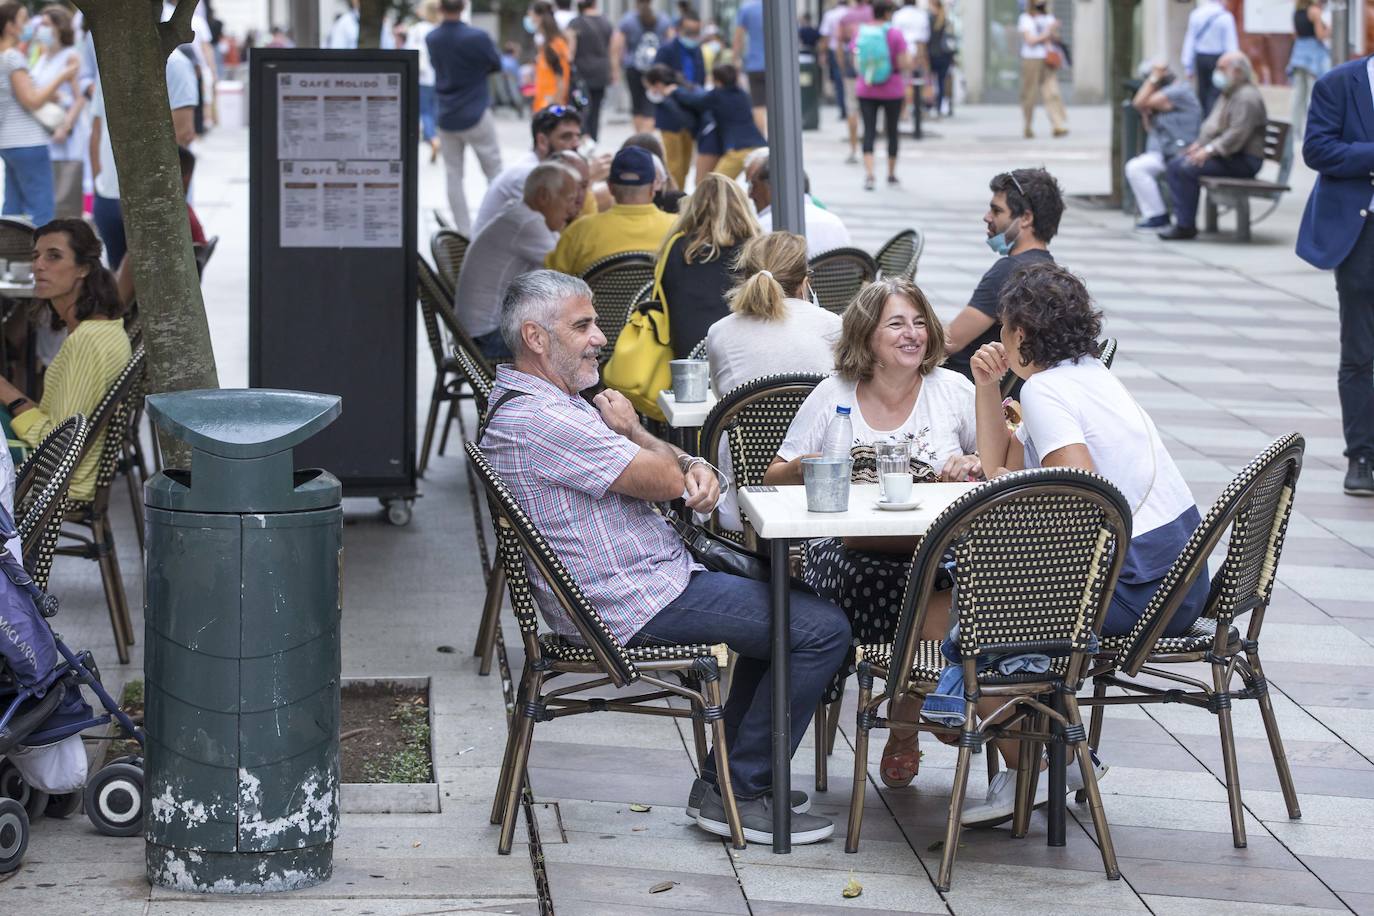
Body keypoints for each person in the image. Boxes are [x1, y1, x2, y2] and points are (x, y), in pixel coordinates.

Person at [482, 270, 850, 846]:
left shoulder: (554, 403)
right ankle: (742, 788)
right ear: (535, 337)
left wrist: (663, 452)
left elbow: (664, 468)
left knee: (793, 612)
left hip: (646, 583)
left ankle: (730, 782)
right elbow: (657, 476)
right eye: (583, 325)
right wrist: (665, 454)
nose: (600, 336)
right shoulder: (539, 417)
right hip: (626, 603)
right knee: (820, 628)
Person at [961, 262, 1208, 823]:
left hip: (1141, 588)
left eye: (1002, 329)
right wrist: (987, 387)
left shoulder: (1048, 391)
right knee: (1006, 601)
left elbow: (1081, 497)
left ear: (1021, 334)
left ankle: (1036, 768)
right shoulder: (1089, 374)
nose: (999, 340)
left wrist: (1006, 490)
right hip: (1183, 579)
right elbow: (1000, 461)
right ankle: (1060, 760)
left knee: (979, 617)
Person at [763, 277, 979, 790]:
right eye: (897, 324)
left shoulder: (953, 392)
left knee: (945, 578)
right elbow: (773, 477)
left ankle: (905, 719)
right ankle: (923, 709)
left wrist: (970, 464)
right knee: (920, 582)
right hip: (848, 552)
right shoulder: (834, 395)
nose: (913, 335)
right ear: (866, 336)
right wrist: (810, 465)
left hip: (932, 553)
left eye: (921, 322)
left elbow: (995, 466)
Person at [706, 232, 841, 534]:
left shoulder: (720, 332)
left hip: (741, 499)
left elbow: (724, 399)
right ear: (805, 281)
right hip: (820, 493)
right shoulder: (835, 326)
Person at [0, 219, 130, 501]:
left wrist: (6, 390)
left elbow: (59, 445)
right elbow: (58, 422)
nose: (38, 266)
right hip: (55, 471)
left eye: (53, 256)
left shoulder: (88, 341)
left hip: (56, 481)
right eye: (36, 257)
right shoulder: (99, 329)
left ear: (84, 268)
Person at [1296, 54, 1374, 496]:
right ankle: (1361, 456)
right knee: (1360, 351)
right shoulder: (1338, 84)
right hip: (1360, 234)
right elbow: (1318, 149)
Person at [944, 168, 1062, 380]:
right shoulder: (1050, 270)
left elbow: (949, 343)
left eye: (996, 211)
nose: (987, 217)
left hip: (970, 387)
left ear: (1025, 218)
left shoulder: (1009, 271)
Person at [455, 162, 578, 360]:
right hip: (486, 339)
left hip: (475, 334)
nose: (573, 210)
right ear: (544, 196)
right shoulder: (527, 224)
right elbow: (570, 273)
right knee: (575, 346)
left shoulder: (520, 213)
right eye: (570, 200)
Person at [89, 49, 198, 271]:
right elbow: (97, 130)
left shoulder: (172, 63)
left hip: (137, 196)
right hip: (116, 196)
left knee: (144, 284)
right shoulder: (113, 59)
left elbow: (182, 134)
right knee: (131, 288)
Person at [1158, 51, 1267, 241]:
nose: (1217, 72)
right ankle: (1183, 222)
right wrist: (1199, 145)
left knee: (1186, 168)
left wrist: (1208, 151)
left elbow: (1236, 135)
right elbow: (1212, 125)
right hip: (1227, 155)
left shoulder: (1247, 97)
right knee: (1176, 164)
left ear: (1238, 72)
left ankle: (1185, 226)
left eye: (1222, 68)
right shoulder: (1230, 93)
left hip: (1243, 160)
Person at [655, 173, 758, 359]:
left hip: (686, 358)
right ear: (741, 206)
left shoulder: (676, 248)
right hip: (744, 356)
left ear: (694, 207)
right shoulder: (754, 250)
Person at [427, 0, 502, 236]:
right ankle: (496, 225)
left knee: (453, 175)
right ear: (463, 7)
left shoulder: (433, 38)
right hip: (477, 110)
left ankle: (463, 232)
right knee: (494, 172)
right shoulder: (478, 37)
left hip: (447, 115)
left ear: (440, 8)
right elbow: (495, 64)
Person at [544, 146, 675, 276]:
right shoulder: (676, 228)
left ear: (610, 187)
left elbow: (552, 280)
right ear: (653, 187)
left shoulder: (579, 232)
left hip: (594, 297)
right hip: (656, 297)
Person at [0, 2, 75, 227]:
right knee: (41, 208)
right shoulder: (12, 57)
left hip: (8, 142)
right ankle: (42, 256)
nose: (28, 26)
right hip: (28, 141)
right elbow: (30, 99)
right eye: (23, 20)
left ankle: (9, 257)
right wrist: (63, 77)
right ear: (10, 26)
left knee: (13, 208)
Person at [473, 105, 594, 235]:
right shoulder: (528, 175)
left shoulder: (545, 172)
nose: (576, 144)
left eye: (577, 136)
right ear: (542, 141)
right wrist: (585, 182)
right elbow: (553, 229)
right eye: (566, 137)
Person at [1125, 61, 1203, 230]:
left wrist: (1154, 78)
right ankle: (1156, 215)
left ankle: (1162, 217)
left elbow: (1138, 103)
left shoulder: (1179, 92)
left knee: (1137, 168)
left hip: (1181, 151)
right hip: (1166, 152)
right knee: (1136, 167)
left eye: (1148, 82)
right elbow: (1148, 122)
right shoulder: (1164, 96)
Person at [29, 5, 86, 220]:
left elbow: (79, 97)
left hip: (64, 132)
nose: (40, 29)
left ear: (59, 27)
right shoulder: (42, 57)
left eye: (46, 24)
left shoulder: (70, 56)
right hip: (44, 130)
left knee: (66, 191)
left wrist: (66, 126)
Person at [664, 63, 765, 180]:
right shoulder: (743, 94)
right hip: (758, 145)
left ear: (717, 81)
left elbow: (693, 101)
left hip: (738, 150)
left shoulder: (717, 95)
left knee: (715, 184)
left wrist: (675, 91)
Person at [744, 149, 852, 256]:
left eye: (753, 185)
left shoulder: (763, 227)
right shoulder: (835, 223)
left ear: (770, 188)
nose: (750, 194)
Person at [853, 0, 908, 190]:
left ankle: (869, 175)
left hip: (866, 88)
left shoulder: (861, 32)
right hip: (892, 89)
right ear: (886, 14)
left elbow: (857, 61)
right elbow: (902, 63)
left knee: (868, 131)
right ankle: (891, 174)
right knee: (892, 131)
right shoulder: (895, 33)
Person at [649, 11, 706, 188]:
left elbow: (701, 77)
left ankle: (679, 195)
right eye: (689, 32)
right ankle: (675, 199)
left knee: (686, 164)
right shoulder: (666, 50)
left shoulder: (696, 50)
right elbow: (654, 79)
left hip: (690, 113)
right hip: (671, 114)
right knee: (674, 164)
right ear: (679, 29)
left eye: (696, 32)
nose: (693, 36)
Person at [611, 0, 673, 134]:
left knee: (636, 105)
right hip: (656, 70)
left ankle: (639, 136)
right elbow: (672, 42)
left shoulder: (627, 20)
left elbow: (616, 46)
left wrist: (615, 68)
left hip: (633, 68)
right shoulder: (663, 19)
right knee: (650, 106)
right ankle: (647, 137)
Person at [1017, 0, 1067, 139]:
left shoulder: (1048, 18)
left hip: (1047, 59)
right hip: (1031, 59)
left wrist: (1054, 31)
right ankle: (1028, 125)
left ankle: (1057, 124)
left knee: (1052, 92)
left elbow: (1056, 38)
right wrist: (1047, 32)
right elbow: (1030, 40)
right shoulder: (1025, 18)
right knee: (1029, 94)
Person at [1181, 0, 1239, 115]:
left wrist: (1188, 66)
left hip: (1201, 58)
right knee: (1216, 93)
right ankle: (1211, 120)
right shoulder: (1226, 17)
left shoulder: (1196, 14)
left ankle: (1205, 120)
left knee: (1203, 93)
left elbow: (1190, 40)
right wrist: (1233, 64)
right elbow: (1231, 45)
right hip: (1219, 60)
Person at [567, 0, 613, 140]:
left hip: (582, 73)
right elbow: (612, 49)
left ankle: (582, 138)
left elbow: (570, 51)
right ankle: (593, 139)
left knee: (581, 107)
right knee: (596, 110)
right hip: (601, 71)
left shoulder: (575, 23)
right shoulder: (606, 22)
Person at [1286, 0, 1330, 141]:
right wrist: (1330, 29)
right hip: (1314, 56)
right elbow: (1320, 35)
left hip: (1299, 54)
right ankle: (1312, 131)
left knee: (1298, 95)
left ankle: (1294, 132)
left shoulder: (1296, 12)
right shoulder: (1314, 11)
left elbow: (1295, 34)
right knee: (1313, 95)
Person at [838, 1, 874, 163]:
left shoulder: (846, 16)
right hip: (873, 68)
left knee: (852, 108)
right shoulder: (873, 13)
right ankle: (869, 149)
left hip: (852, 68)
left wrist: (842, 67)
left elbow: (839, 42)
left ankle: (854, 149)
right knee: (870, 109)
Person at [406, 0, 441, 164]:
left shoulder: (418, 30)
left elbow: (408, 52)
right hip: (439, 77)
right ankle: (435, 135)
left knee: (424, 111)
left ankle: (432, 138)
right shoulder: (439, 29)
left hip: (422, 76)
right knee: (434, 111)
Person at [892, 0, 929, 134]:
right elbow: (924, 38)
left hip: (902, 52)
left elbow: (894, 35)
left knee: (902, 83)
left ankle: (903, 110)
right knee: (916, 84)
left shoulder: (897, 15)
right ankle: (915, 109)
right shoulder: (921, 15)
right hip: (917, 52)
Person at [732, 0, 767, 135]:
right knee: (779, 104)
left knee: (758, 105)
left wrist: (735, 60)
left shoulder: (747, 8)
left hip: (755, 64)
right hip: (777, 66)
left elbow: (738, 38)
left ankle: (762, 141)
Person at [528, 1, 570, 111]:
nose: (531, 20)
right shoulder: (550, 44)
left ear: (539, 18)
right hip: (545, 101)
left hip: (551, 102)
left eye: (532, 16)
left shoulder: (553, 46)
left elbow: (561, 78)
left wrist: (556, 106)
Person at [819, 0, 852, 122]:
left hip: (834, 50)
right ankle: (852, 109)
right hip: (851, 50)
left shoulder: (830, 15)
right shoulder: (851, 13)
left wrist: (822, 53)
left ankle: (843, 110)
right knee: (852, 79)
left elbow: (825, 36)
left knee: (839, 81)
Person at [927, 0, 955, 118]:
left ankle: (930, 106)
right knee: (941, 82)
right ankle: (939, 106)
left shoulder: (929, 20)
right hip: (945, 55)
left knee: (931, 82)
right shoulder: (946, 20)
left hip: (932, 55)